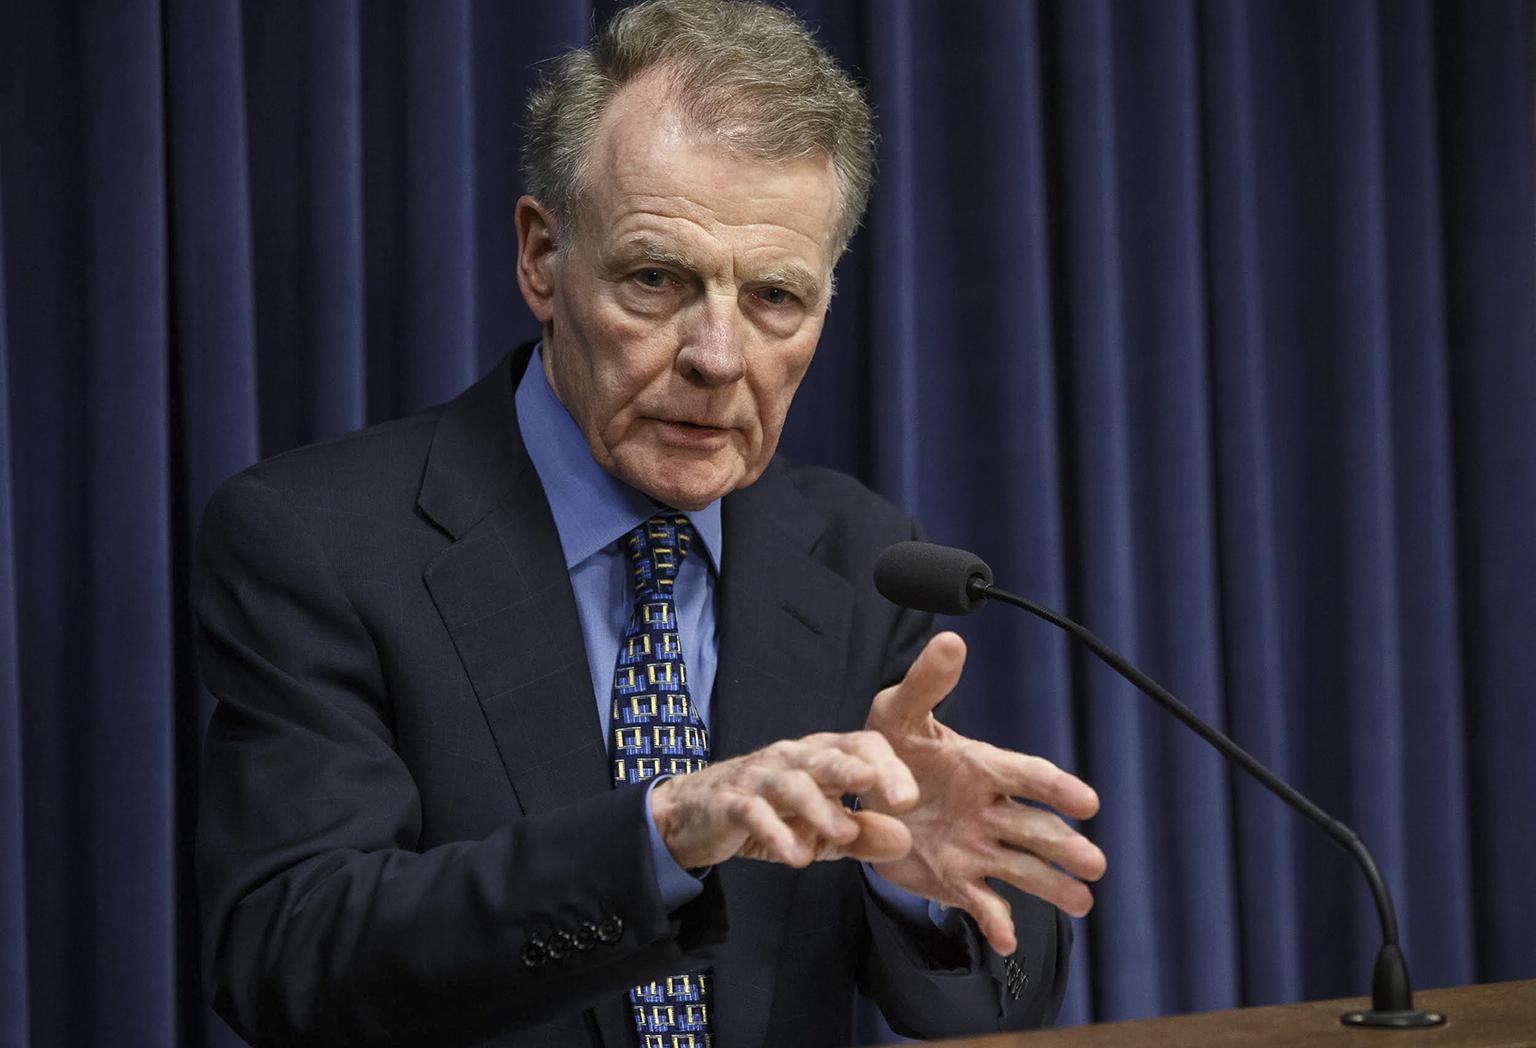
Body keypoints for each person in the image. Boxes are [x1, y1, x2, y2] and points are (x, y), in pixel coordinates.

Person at [193, 1, 1106, 1044]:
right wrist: (661, 835)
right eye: (656, 279)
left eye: (774, 297)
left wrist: (917, 883)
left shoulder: (862, 559)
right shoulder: (318, 543)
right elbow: (290, 956)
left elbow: (998, 1000)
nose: (717, 356)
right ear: (543, 257)